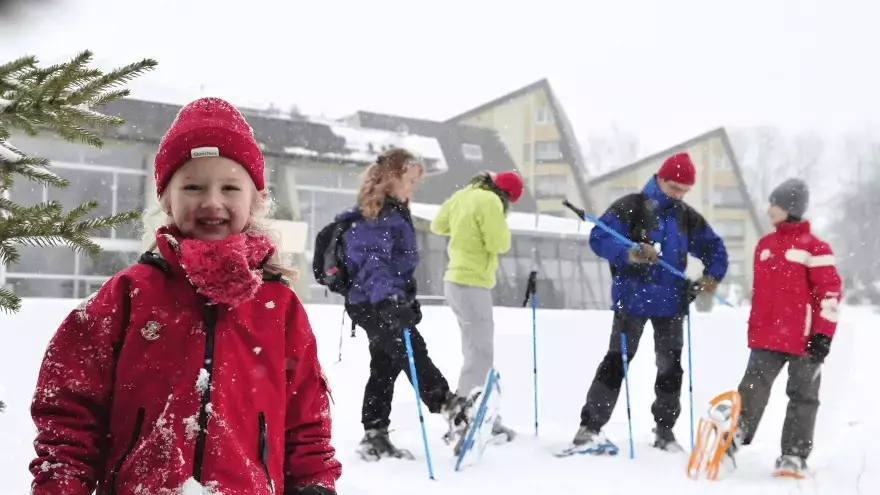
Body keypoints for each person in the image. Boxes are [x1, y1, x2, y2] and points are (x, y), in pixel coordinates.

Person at [28, 97, 341, 495]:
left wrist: (314, 484)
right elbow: (69, 406)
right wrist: (61, 483)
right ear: (166, 200)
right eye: (192, 186)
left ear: (256, 199)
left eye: (230, 187)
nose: (212, 201)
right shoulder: (129, 293)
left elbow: (307, 415)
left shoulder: (277, 304)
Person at [571, 152, 729, 454]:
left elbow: (714, 247)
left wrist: (713, 274)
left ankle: (665, 432)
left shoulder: (686, 216)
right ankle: (589, 427)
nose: (679, 194)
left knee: (670, 369)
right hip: (631, 300)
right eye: (674, 187)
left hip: (672, 304)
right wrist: (629, 252)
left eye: (684, 190)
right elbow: (599, 238)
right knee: (616, 362)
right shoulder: (631, 207)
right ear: (660, 178)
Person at [337, 148, 472, 461]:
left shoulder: (395, 211)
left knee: (385, 365)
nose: (413, 188)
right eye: (409, 181)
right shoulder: (377, 212)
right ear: (392, 177)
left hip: (381, 300)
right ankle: (447, 405)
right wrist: (389, 299)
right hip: (372, 301)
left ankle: (374, 435)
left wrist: (404, 299)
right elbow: (373, 262)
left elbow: (397, 265)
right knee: (412, 350)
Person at [725, 178, 841, 477]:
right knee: (751, 388)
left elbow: (829, 293)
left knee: (803, 396)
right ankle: (735, 436)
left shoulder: (816, 248)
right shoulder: (765, 246)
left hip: (805, 339)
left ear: (790, 207)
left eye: (774, 204)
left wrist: (823, 334)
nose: (768, 210)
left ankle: (794, 454)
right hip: (766, 335)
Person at [430, 170, 524, 441]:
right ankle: (471, 415)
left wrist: (465, 229)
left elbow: (438, 225)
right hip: (473, 283)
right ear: (506, 196)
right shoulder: (490, 202)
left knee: (472, 350)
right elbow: (500, 243)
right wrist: (493, 225)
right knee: (481, 353)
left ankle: (471, 412)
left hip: (454, 281)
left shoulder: (464, 195)